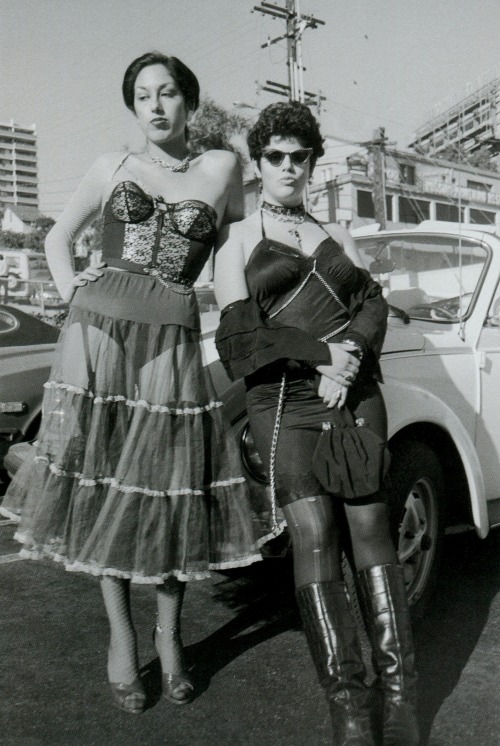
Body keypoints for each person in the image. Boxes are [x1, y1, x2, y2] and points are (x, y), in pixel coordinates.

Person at [0, 52, 275, 714]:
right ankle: (124, 642)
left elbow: (233, 253)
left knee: (169, 490)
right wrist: (73, 293)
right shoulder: (111, 169)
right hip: (98, 335)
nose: (155, 105)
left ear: (189, 101)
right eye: (143, 96)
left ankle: (170, 638)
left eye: (168, 93)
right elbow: (58, 239)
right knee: (103, 489)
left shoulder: (222, 170)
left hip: (171, 338)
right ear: (133, 107)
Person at [214, 101, 419, 746]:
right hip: (285, 403)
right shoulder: (239, 240)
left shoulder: (338, 236)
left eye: (299, 156)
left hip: (354, 398)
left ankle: (402, 698)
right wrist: (323, 356)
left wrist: (349, 358)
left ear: (312, 161)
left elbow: (373, 302)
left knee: (372, 529)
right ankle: (349, 706)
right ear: (258, 161)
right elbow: (241, 341)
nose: (288, 167)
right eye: (274, 155)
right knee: (314, 536)